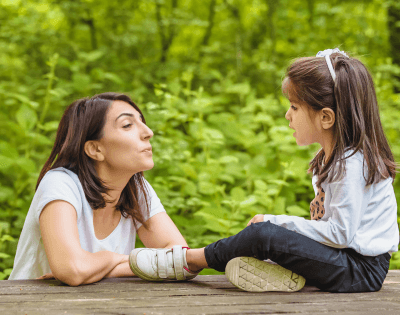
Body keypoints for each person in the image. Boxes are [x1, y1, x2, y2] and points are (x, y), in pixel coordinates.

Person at [129, 49, 399, 293]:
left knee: (264, 234)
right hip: (346, 260)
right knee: (268, 236)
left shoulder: (351, 163)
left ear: (325, 117)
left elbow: (340, 234)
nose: (287, 115)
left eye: (294, 107)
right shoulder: (332, 158)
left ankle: (190, 261)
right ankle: (281, 271)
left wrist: (277, 223)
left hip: (361, 270)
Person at [8, 92, 198, 285]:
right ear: (95, 149)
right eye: (127, 125)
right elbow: (73, 269)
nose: (148, 132)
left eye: (142, 122)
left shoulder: (136, 188)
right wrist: (115, 258)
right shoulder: (60, 184)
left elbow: (179, 258)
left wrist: (105, 267)